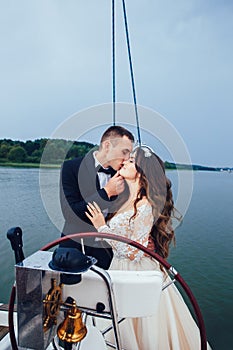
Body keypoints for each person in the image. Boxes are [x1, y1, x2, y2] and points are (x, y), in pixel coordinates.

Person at [86, 146, 212, 350]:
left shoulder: (145, 206)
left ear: (142, 171)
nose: (124, 162)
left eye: (130, 161)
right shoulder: (125, 200)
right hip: (118, 268)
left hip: (136, 271)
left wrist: (102, 227)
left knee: (140, 327)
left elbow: (134, 252)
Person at [59, 125, 134, 269]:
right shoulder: (71, 167)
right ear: (107, 146)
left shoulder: (124, 173)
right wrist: (106, 193)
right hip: (74, 248)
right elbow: (69, 214)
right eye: (124, 152)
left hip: (108, 252)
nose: (126, 159)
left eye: (129, 154)